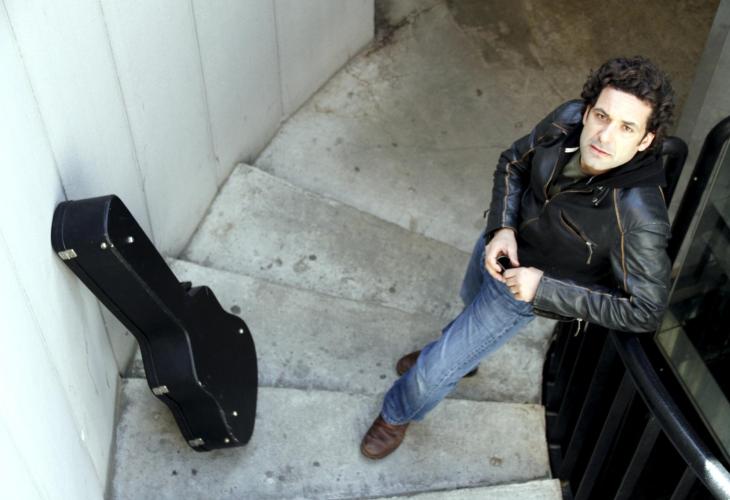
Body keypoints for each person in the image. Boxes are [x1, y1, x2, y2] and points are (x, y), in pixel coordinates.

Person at [360, 56, 675, 460]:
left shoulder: (640, 218)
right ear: (588, 110)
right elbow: (512, 162)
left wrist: (542, 289)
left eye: (627, 127)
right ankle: (460, 359)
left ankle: (396, 413)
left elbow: (645, 310)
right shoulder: (567, 120)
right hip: (498, 246)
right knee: (467, 301)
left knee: (431, 375)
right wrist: (501, 227)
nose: (604, 136)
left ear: (646, 140)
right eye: (601, 116)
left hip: (521, 291)